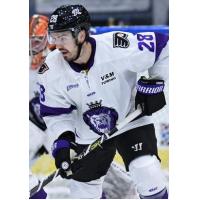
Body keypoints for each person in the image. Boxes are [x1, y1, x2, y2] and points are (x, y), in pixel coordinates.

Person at [38, 4, 169, 199]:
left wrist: (155, 82)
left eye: (62, 37)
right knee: (83, 195)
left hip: (129, 117)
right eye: (53, 37)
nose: (57, 44)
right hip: (87, 132)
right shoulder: (50, 70)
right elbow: (55, 113)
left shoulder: (117, 46)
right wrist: (64, 140)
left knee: (147, 171)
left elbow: (164, 45)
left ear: (81, 35)